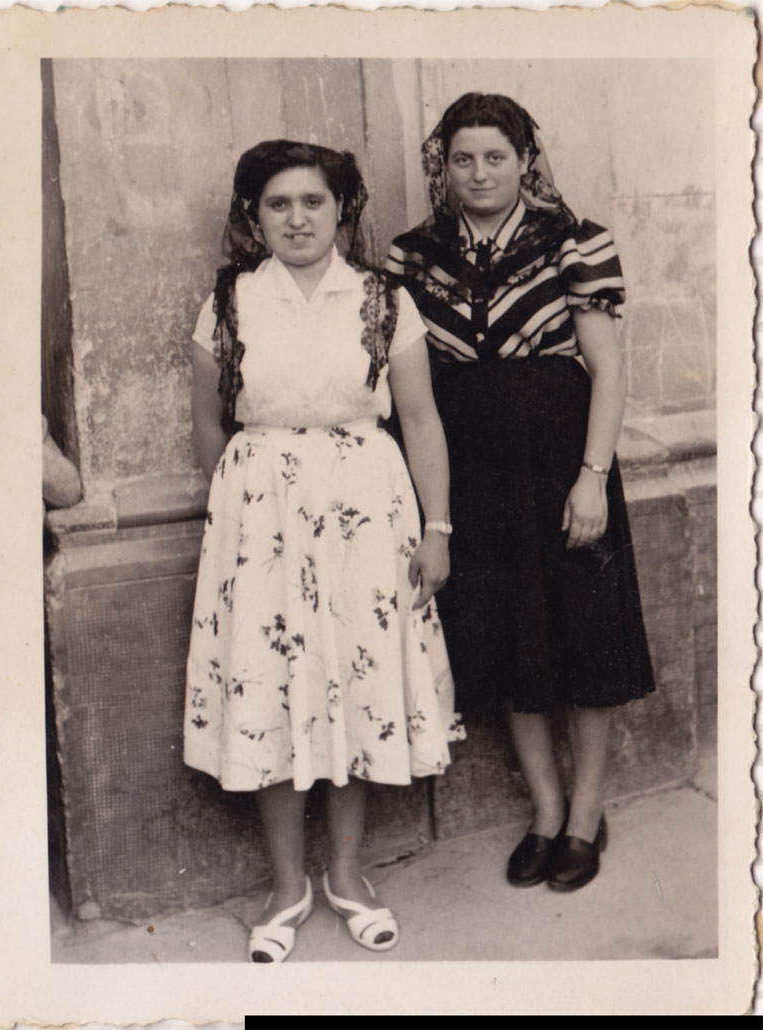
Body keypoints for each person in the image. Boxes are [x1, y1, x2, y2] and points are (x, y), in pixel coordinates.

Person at [184, 139, 463, 962]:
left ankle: (345, 875)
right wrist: (237, 522)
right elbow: (208, 423)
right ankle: (287, 886)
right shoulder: (229, 302)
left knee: (354, 682)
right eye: (278, 204)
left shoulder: (382, 300)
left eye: (313, 201)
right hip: (262, 519)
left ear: (342, 209)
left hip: (366, 516)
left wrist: (437, 529)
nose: (297, 218)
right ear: (253, 216)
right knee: (270, 685)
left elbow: (420, 420)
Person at [386, 93, 655, 893]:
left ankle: (586, 815)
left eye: (495, 157)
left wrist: (592, 477)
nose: (479, 174)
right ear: (443, 166)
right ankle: (544, 810)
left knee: (585, 636)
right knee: (505, 638)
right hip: (470, 471)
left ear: (525, 161)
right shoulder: (412, 256)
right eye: (462, 159)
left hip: (560, 462)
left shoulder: (574, 241)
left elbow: (606, 369)